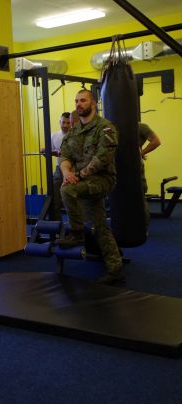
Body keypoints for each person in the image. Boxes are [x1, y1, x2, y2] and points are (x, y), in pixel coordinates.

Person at [55, 89, 124, 284]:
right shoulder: (74, 131)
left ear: (93, 104)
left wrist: (77, 176)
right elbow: (64, 156)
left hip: (102, 179)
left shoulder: (105, 128)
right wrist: (67, 173)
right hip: (81, 181)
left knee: (67, 190)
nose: (79, 104)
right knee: (100, 225)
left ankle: (77, 234)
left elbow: (102, 159)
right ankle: (115, 269)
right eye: (76, 101)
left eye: (83, 100)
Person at [49, 112, 71, 220]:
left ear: (71, 123)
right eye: (63, 122)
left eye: (68, 123)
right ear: (60, 122)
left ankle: (77, 225)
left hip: (73, 169)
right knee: (55, 197)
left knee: (73, 197)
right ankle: (57, 224)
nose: (65, 125)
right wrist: (46, 151)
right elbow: (48, 151)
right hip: (59, 168)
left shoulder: (75, 136)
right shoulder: (54, 136)